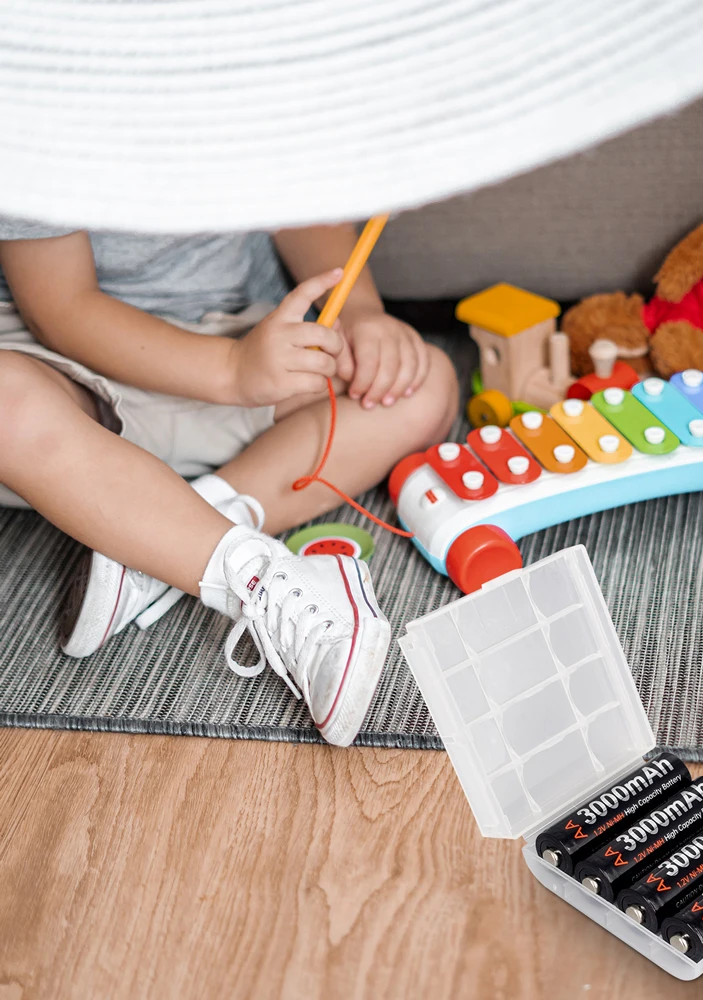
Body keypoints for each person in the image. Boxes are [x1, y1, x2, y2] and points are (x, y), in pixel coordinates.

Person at [0, 220, 459, 746]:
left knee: (423, 383)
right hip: (62, 360)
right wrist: (231, 371)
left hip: (234, 336)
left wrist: (360, 312)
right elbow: (62, 308)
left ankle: (157, 539)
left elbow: (303, 203)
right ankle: (252, 573)